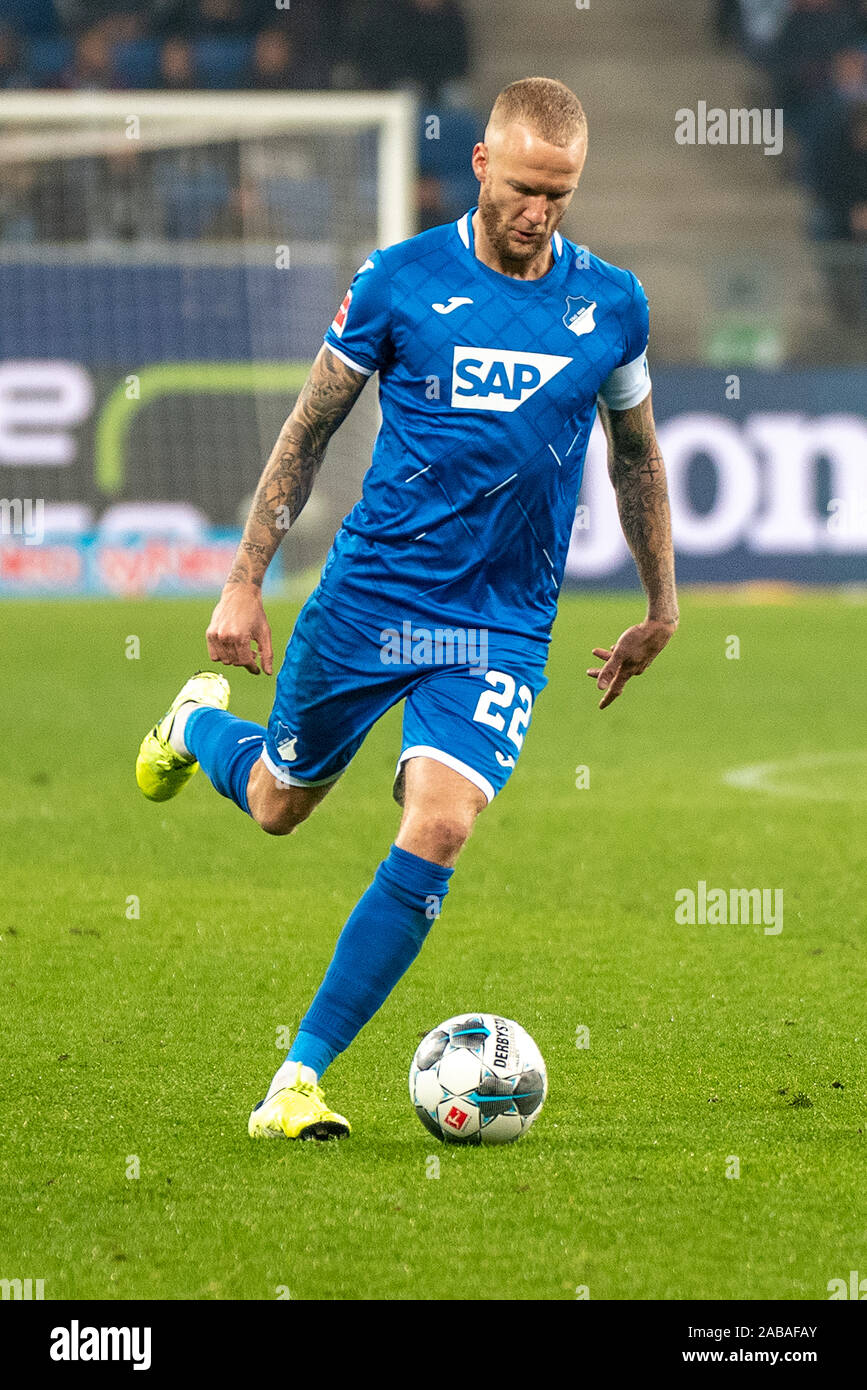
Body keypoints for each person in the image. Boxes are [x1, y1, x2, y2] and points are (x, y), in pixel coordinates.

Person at [135, 77, 679, 1141]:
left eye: (560, 196)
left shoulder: (612, 304)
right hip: (372, 599)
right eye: (524, 188)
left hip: (500, 626)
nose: (539, 213)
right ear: (482, 165)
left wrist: (662, 603)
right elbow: (308, 431)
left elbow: (638, 458)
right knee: (281, 803)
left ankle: (297, 1077)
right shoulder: (397, 282)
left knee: (440, 820)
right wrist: (245, 577)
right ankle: (196, 721)